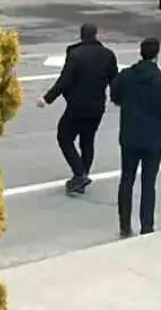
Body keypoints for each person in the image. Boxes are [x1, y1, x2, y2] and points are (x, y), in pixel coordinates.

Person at [110, 35, 161, 237]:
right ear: (157, 55)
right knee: (148, 182)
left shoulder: (126, 76)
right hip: (154, 138)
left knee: (127, 179)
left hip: (130, 135)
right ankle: (147, 225)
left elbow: (115, 96)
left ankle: (124, 224)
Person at [40, 21, 118, 194]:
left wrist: (47, 98)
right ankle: (82, 176)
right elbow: (115, 81)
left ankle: (79, 173)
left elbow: (64, 80)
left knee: (64, 137)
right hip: (97, 106)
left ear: (81, 35)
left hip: (77, 106)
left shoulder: (76, 54)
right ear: (96, 34)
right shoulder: (108, 55)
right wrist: (119, 99)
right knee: (87, 141)